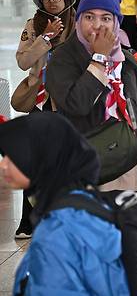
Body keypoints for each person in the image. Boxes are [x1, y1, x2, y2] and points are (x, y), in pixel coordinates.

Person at [46, 0, 137, 192]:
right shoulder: (62, 59)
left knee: (129, 219)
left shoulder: (126, 61)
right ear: (78, 20)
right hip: (88, 165)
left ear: (116, 23)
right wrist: (99, 59)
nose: (97, 26)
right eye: (90, 17)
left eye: (106, 18)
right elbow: (77, 105)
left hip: (129, 163)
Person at [0, 112, 130, 295]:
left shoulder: (56, 234)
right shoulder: (84, 204)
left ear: (43, 158)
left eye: (14, 156)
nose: (3, 165)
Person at [10, 0, 76, 240]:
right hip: (39, 99)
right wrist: (45, 39)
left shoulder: (77, 24)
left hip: (68, 100)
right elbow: (23, 62)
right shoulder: (33, 25)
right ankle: (28, 219)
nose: (52, 1)